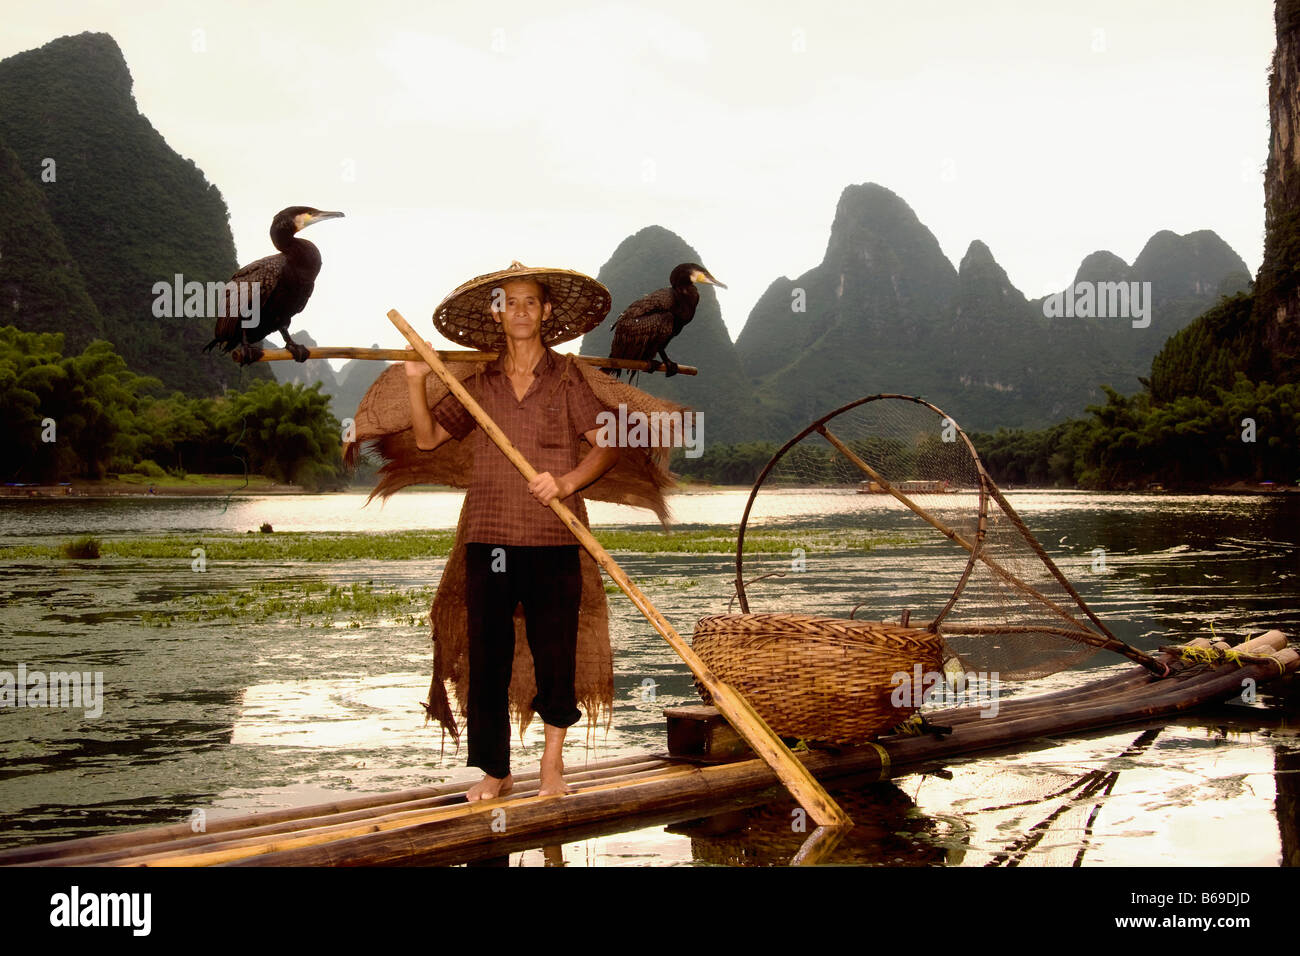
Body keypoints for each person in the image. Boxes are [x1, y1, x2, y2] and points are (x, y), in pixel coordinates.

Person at [404, 271, 619, 800]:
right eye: (510, 304)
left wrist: (567, 481)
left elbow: (607, 441)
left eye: (531, 303)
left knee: (555, 655)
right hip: (490, 539)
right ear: (497, 315)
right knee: (489, 657)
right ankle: (495, 772)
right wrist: (415, 380)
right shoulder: (477, 385)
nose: (520, 311)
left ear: (546, 314)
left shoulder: (568, 378)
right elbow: (429, 438)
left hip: (553, 538)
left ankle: (552, 767)